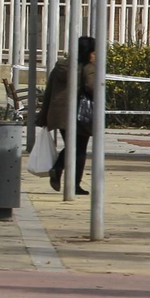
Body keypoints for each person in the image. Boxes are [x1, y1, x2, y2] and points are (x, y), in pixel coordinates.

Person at [38, 35, 96, 195]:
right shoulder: (87, 67)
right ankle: (69, 180)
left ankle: (61, 173)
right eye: (94, 52)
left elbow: (49, 91)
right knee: (79, 149)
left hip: (58, 113)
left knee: (72, 146)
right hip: (78, 114)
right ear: (88, 53)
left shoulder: (60, 66)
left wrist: (43, 116)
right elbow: (92, 87)